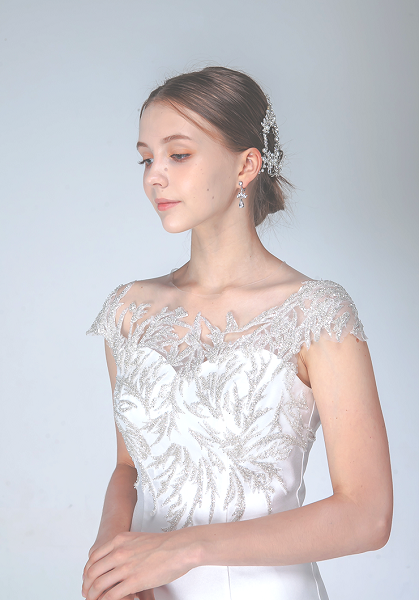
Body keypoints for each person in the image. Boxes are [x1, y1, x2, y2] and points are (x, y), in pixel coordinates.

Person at [82, 66, 393, 600]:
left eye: (179, 154)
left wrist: (184, 549)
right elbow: (128, 467)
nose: (155, 176)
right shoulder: (130, 311)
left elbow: (367, 515)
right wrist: (111, 557)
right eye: (146, 158)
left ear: (247, 164)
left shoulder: (316, 313)